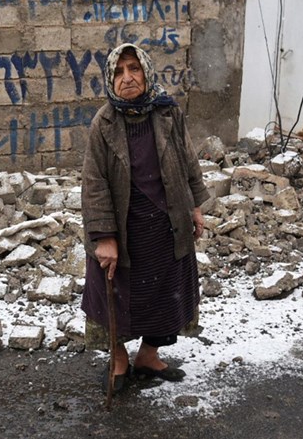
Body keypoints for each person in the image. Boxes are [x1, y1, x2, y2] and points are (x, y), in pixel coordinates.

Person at [81, 42, 209, 393]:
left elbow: (188, 159)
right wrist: (104, 237)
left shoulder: (167, 112)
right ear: (110, 79)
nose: (128, 78)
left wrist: (195, 206)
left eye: (134, 68)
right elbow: (93, 183)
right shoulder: (103, 123)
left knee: (166, 295)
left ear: (147, 71)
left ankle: (148, 355)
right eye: (119, 72)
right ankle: (119, 357)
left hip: (166, 227)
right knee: (117, 300)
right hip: (124, 232)